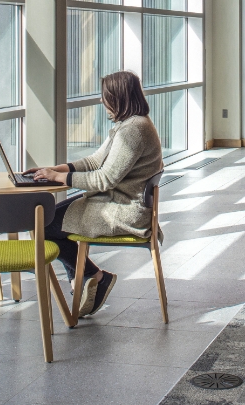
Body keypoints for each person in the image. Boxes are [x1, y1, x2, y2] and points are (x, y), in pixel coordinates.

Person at [26, 71, 163, 318]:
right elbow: (95, 161)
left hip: (124, 211)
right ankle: (89, 279)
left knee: (44, 224)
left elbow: (104, 179)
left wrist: (59, 178)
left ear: (118, 97)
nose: (102, 102)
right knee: (47, 220)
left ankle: (92, 277)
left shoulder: (134, 130)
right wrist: (56, 169)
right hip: (117, 202)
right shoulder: (128, 125)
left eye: (105, 97)